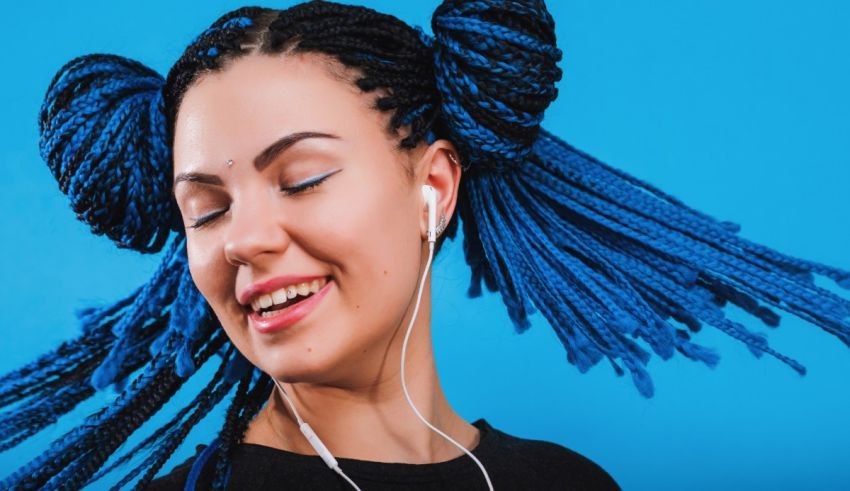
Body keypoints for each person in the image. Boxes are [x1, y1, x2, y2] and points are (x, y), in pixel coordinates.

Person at [0, 0, 847, 489]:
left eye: (300, 178)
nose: (246, 240)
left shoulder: (565, 485)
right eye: (206, 208)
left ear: (433, 185)